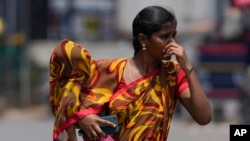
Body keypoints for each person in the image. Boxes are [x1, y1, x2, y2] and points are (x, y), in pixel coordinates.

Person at [49, 6, 212, 141]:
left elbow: (204, 117)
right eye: (165, 36)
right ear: (143, 39)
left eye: (174, 36)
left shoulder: (173, 74)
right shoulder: (112, 70)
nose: (173, 43)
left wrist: (188, 67)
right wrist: (83, 118)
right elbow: (69, 97)